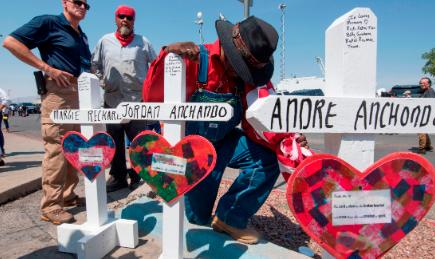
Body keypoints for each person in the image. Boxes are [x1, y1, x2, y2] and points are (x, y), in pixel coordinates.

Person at [143, 16, 310, 244]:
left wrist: (287, 141)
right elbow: (150, 100)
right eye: (243, 68)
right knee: (196, 220)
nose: (246, 76)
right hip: (190, 153)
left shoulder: (244, 78)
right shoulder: (193, 60)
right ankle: (183, 202)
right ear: (230, 51)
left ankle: (230, 217)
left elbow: (258, 123)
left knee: (268, 158)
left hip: (224, 142)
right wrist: (166, 57)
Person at [3, 0, 91, 224]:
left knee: (74, 146)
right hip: (58, 93)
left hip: (80, 92)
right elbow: (11, 42)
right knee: (57, 149)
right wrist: (47, 68)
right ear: (65, 3)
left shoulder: (81, 34)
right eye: (78, 2)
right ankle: (51, 206)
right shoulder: (49, 22)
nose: (82, 6)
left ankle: (68, 195)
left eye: (86, 5)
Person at [91, 5, 157, 192]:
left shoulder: (143, 42)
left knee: (138, 143)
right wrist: (103, 81)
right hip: (112, 102)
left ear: (134, 20)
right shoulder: (105, 41)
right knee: (114, 141)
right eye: (121, 16)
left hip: (136, 102)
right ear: (115, 18)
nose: (125, 20)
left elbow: (155, 66)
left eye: (129, 17)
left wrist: (151, 90)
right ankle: (118, 177)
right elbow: (94, 64)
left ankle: (139, 177)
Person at [418, 77, 435, 154]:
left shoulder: (430, 91)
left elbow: (430, 104)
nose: (421, 84)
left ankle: (422, 148)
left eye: (423, 83)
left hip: (425, 116)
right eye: (420, 83)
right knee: (424, 131)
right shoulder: (425, 91)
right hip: (424, 115)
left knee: (421, 131)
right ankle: (428, 145)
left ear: (428, 84)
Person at [0, 88, 10, 163]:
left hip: (4, 114)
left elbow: (7, 100)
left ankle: (1, 152)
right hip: (3, 114)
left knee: (5, 120)